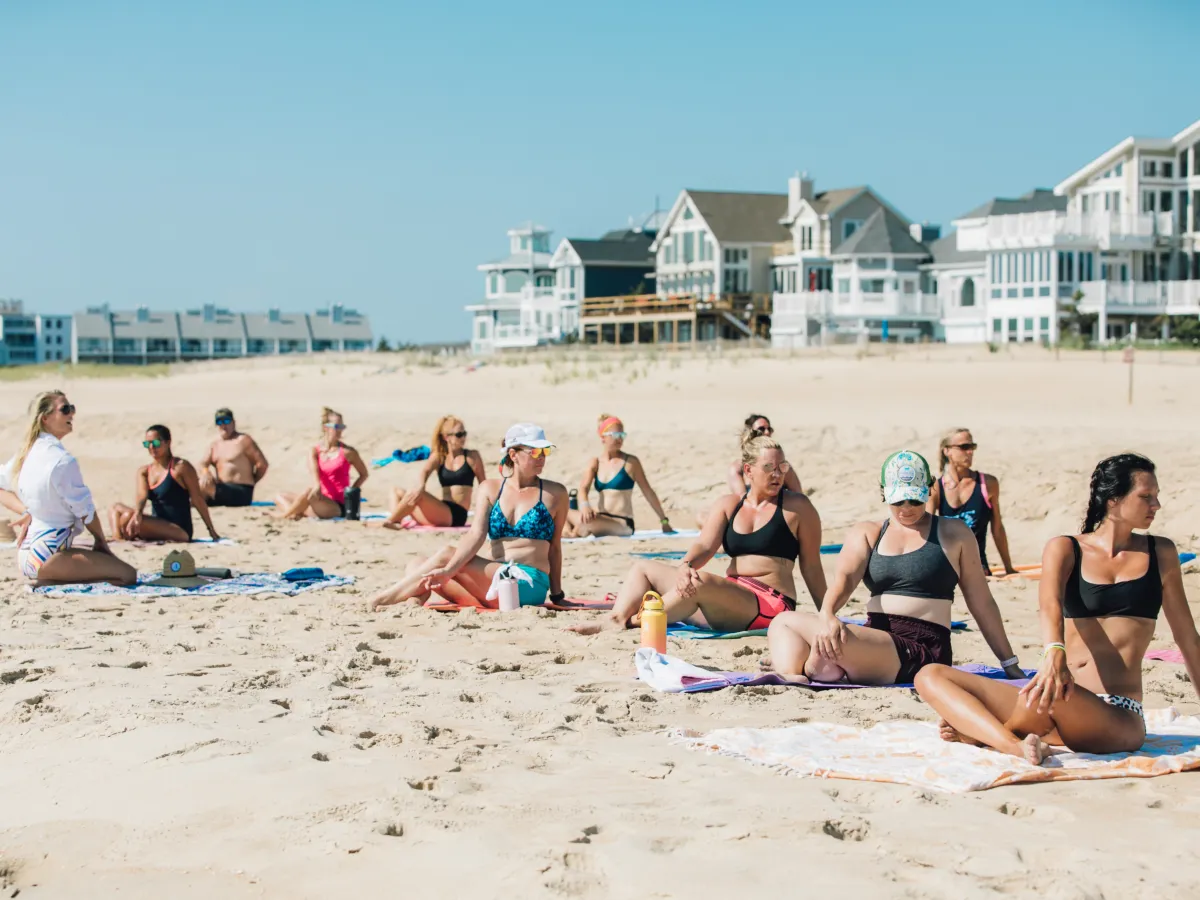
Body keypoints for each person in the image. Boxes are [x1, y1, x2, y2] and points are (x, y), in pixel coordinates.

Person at [916, 453, 1200, 765]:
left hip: (1115, 716)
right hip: (1054, 696)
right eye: (1145, 496)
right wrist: (1054, 651)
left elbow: (1188, 639)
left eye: (1156, 496)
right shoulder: (1066, 548)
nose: (1155, 505)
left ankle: (986, 733)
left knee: (1056, 695)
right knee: (930, 675)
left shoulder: (1161, 553)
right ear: (1113, 500)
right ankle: (1011, 744)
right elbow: (1049, 603)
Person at [764, 450, 1025, 685]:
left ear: (929, 490)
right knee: (783, 622)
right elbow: (843, 582)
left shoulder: (953, 533)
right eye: (899, 501)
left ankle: (813, 666)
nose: (907, 509)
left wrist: (1009, 663)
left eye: (915, 500)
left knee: (817, 648)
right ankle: (793, 675)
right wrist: (828, 614)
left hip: (923, 646)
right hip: (874, 638)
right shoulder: (868, 532)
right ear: (884, 494)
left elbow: (981, 602)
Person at [570, 433, 826, 634]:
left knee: (700, 582)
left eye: (783, 467)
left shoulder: (798, 508)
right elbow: (704, 545)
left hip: (769, 604)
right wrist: (685, 566)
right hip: (727, 597)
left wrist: (827, 614)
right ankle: (616, 617)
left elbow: (812, 567)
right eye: (769, 467)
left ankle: (634, 621)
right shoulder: (729, 505)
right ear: (748, 471)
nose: (778, 474)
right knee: (643, 568)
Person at [370, 423, 567, 610]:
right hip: (491, 585)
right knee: (418, 564)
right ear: (513, 454)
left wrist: (557, 595)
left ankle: (383, 598)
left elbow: (555, 547)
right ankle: (415, 598)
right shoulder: (490, 489)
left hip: (527, 583)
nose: (542, 457)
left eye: (545, 451)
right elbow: (475, 535)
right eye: (535, 451)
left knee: (447, 555)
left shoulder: (555, 493)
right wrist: (449, 569)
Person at [0, 391, 135, 585]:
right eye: (65, 409)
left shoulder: (26, 453)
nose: (71, 414)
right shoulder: (62, 460)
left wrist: (28, 511)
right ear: (45, 418)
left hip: (26, 556)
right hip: (49, 555)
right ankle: (54, 578)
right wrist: (100, 541)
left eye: (72, 408)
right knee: (128, 575)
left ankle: (55, 578)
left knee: (105, 570)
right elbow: (85, 511)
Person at [565, 413, 675, 538]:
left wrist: (663, 520)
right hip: (601, 518)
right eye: (615, 435)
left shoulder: (631, 463)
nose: (619, 439)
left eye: (622, 435)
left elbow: (647, 491)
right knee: (562, 513)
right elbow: (583, 489)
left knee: (584, 525)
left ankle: (570, 534)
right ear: (603, 437)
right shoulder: (595, 463)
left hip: (622, 523)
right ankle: (569, 533)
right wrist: (585, 506)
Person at [927, 427, 1016, 577]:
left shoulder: (987, 484)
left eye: (972, 447)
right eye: (964, 447)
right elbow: (926, 527)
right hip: (945, 565)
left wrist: (1009, 568)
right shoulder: (936, 487)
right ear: (947, 451)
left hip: (978, 566)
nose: (970, 452)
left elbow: (998, 529)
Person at [109, 425, 221, 543]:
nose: (152, 447)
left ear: (168, 443)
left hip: (179, 529)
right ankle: (117, 539)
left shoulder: (181, 467)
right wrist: (138, 513)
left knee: (127, 517)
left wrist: (211, 529)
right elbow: (142, 496)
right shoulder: (144, 471)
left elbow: (197, 498)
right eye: (148, 444)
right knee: (115, 508)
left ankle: (120, 538)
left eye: (156, 443)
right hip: (157, 523)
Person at [381, 415, 485, 529]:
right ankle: (395, 522)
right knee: (396, 491)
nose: (463, 438)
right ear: (446, 437)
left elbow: (483, 484)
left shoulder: (471, 456)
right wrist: (422, 484)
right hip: (441, 511)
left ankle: (390, 521)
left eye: (464, 434)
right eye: (459, 435)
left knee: (418, 494)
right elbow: (425, 471)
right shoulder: (439, 457)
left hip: (456, 515)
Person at [272, 407, 368, 519]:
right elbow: (314, 474)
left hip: (336, 505)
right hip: (318, 499)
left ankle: (285, 516)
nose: (340, 430)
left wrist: (350, 493)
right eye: (336, 427)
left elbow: (364, 474)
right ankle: (294, 514)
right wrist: (317, 486)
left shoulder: (348, 452)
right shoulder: (315, 451)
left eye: (342, 427)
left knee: (308, 492)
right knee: (280, 496)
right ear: (326, 427)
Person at [198, 408, 269, 507]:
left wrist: (253, 480)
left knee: (202, 485)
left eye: (226, 421)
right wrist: (206, 472)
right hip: (221, 488)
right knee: (193, 484)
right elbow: (203, 463)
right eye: (219, 422)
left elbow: (262, 464)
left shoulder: (243, 440)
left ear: (233, 423)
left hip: (240, 490)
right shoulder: (215, 444)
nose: (223, 425)